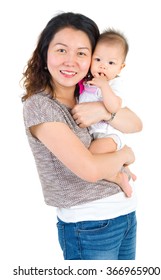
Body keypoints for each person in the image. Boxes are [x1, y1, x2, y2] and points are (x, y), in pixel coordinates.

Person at [22, 12, 142, 260]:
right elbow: (89, 169)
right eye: (61, 50)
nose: (71, 61)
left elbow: (136, 124)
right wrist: (125, 154)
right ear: (45, 54)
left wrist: (102, 111)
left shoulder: (90, 93)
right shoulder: (41, 106)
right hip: (88, 225)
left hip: (125, 214)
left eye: (81, 53)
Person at [79, 29, 137, 197]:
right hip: (94, 134)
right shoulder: (87, 82)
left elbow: (114, 107)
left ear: (121, 67)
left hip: (109, 136)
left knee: (89, 157)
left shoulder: (114, 85)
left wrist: (104, 86)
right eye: (97, 60)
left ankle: (118, 177)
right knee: (93, 158)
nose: (103, 66)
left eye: (111, 63)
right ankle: (124, 170)